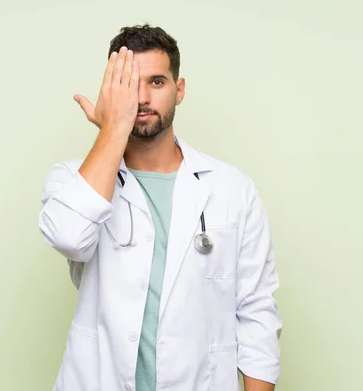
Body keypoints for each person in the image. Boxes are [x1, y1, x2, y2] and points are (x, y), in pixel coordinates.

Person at [39, 24, 282, 391]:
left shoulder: (233, 189)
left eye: (156, 82)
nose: (142, 98)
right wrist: (112, 129)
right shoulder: (73, 178)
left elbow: (256, 312)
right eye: (128, 85)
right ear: (111, 93)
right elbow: (70, 237)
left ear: (178, 90)